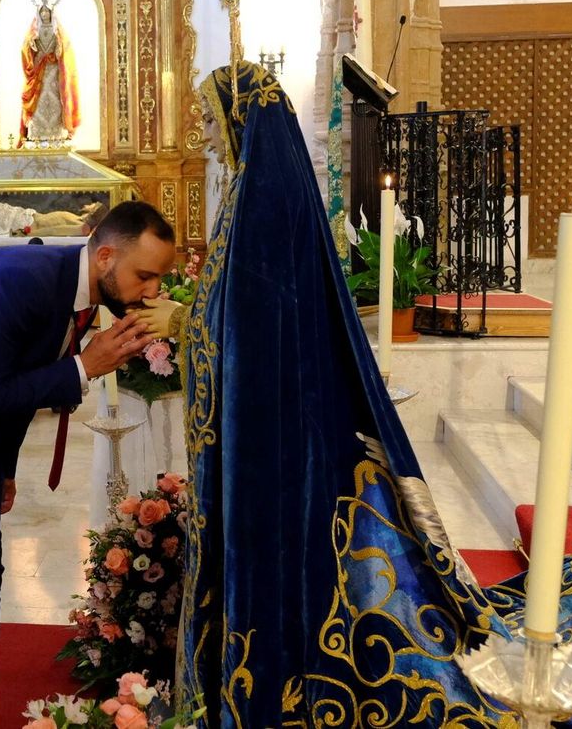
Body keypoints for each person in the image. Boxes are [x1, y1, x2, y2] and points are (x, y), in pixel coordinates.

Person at [176, 62, 506, 726]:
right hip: (251, 435)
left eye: (213, 119)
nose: (206, 135)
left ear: (242, 121)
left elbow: (247, 335)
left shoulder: (264, 214)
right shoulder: (245, 198)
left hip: (269, 444)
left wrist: (181, 325)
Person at [0, 200, 172, 729]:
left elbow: (17, 379)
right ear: (105, 256)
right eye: (145, 276)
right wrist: (84, 367)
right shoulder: (17, 279)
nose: (152, 293)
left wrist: (3, 467)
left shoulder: (85, 297)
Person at [18, 0, 81, 143]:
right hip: (39, 70)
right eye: (42, 11)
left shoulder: (57, 30)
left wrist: (60, 49)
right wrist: (31, 45)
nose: (45, 14)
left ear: (52, 13)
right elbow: (25, 48)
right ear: (38, 13)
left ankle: (56, 134)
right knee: (38, 100)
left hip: (54, 72)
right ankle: (38, 134)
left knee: (55, 100)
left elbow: (66, 48)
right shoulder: (34, 30)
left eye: (47, 11)